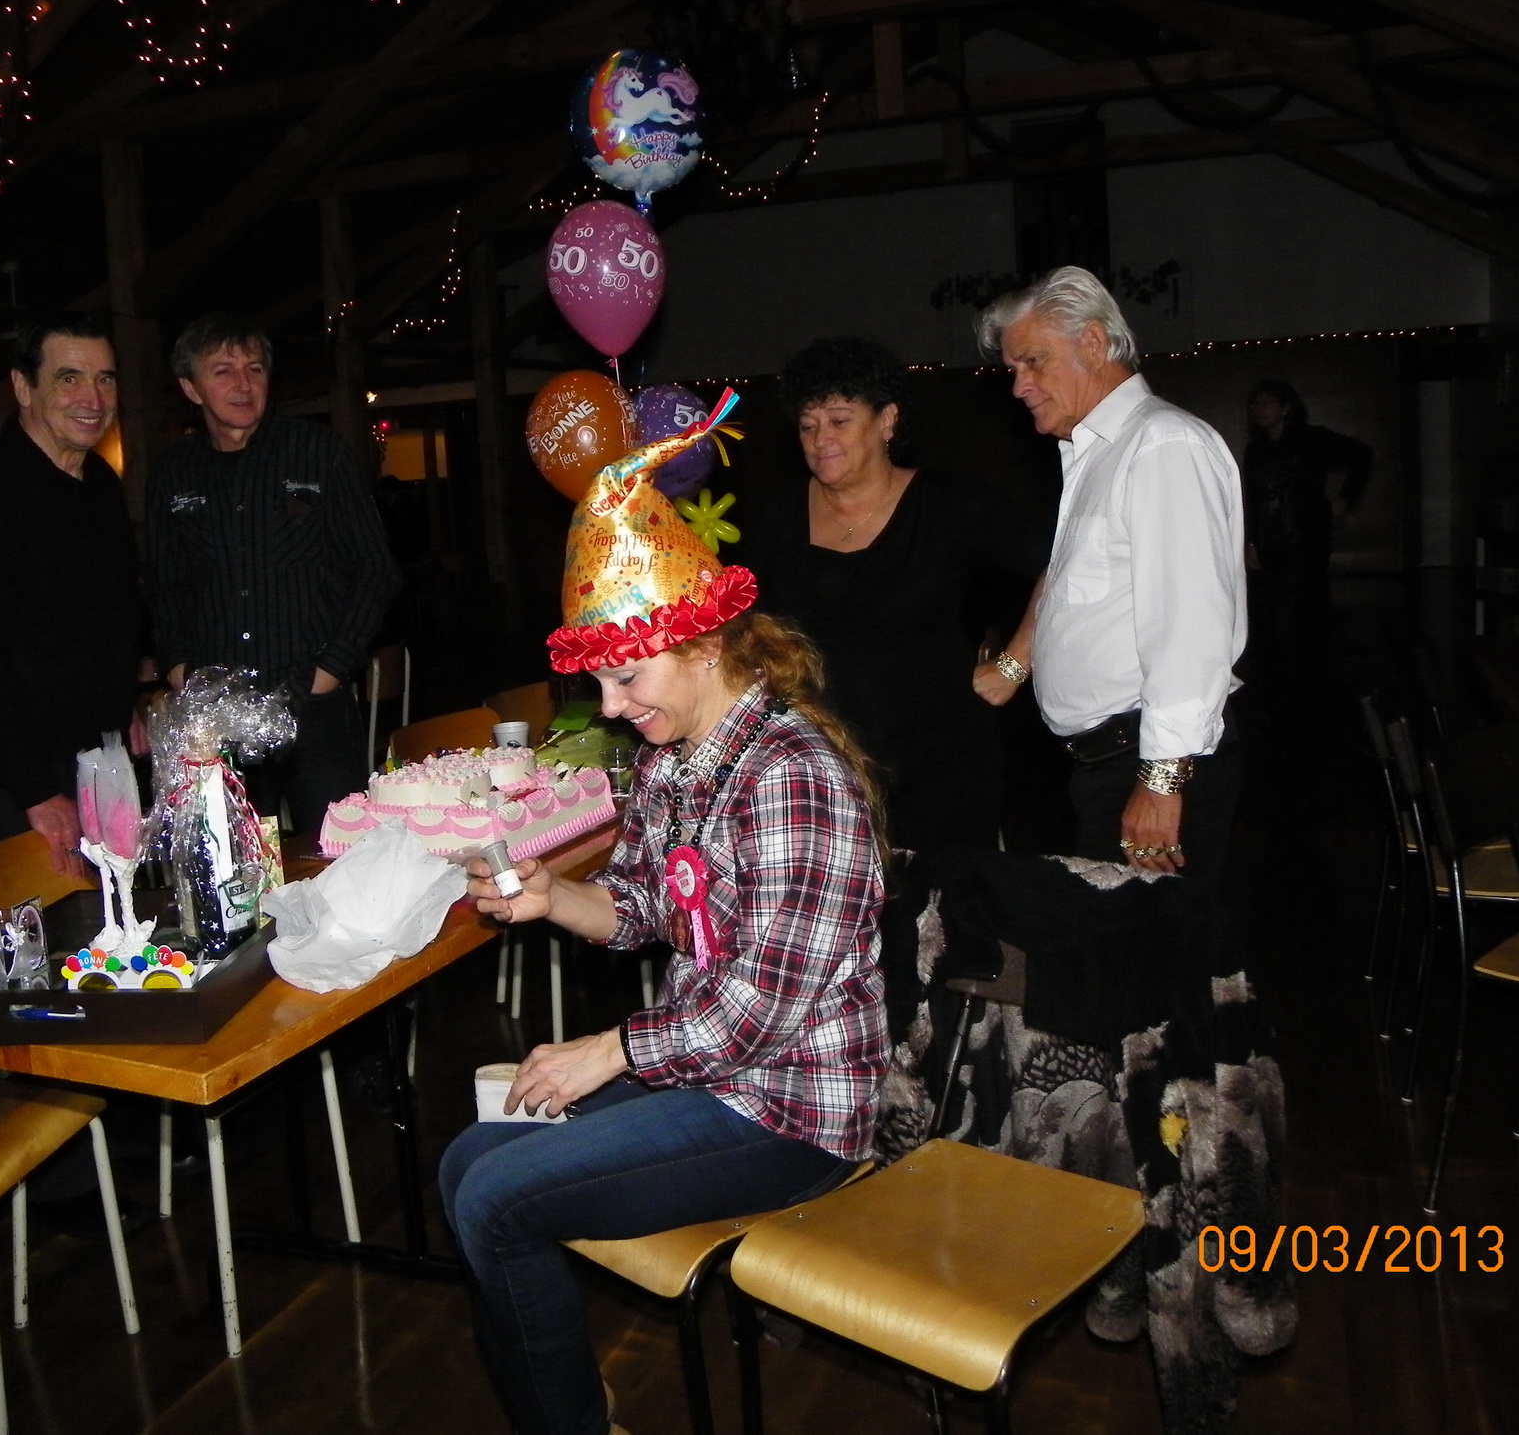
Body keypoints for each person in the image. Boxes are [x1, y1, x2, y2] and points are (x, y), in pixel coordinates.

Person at [439, 426, 886, 1435]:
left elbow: (755, 1016)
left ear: (703, 644)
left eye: (628, 679)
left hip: (789, 1112)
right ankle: (560, 1404)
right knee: (467, 1162)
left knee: (494, 1200)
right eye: (599, 682)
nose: (611, 706)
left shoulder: (789, 777)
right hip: (707, 1072)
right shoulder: (672, 759)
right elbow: (644, 904)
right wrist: (552, 896)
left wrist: (608, 1051)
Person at [972, 266, 1245, 892]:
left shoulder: (1161, 445)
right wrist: (1013, 666)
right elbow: (1069, 575)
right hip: (1109, 765)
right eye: (1013, 368)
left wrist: (1161, 781)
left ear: (1093, 343)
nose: (1019, 385)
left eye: (1032, 362)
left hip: (1151, 763)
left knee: (1143, 951)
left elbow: (1190, 628)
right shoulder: (1097, 449)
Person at [738, 336, 1047, 851]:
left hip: (942, 769)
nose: (820, 439)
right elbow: (742, 624)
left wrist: (1014, 664)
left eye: (839, 421)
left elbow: (1062, 562)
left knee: (949, 899)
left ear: (887, 421)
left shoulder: (948, 505)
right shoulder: (778, 518)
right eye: (808, 425)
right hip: (822, 772)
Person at [147, 314, 398, 832]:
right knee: (240, 867)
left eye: (255, 369)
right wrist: (177, 667)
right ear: (190, 388)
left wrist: (332, 669)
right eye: (223, 371)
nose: (243, 384)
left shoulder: (318, 453)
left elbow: (376, 569)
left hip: (314, 706)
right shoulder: (173, 473)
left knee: (340, 858)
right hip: (218, 718)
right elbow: (163, 584)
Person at [0, 312, 147, 872]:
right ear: (23, 387)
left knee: (118, 920)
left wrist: (124, 706)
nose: (93, 398)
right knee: (38, 927)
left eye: (105, 378)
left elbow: (112, 614)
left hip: (93, 758)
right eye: (69, 378)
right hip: (10, 775)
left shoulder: (100, 482)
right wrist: (35, 791)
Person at [1240, 379, 1371, 702]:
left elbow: (1361, 454)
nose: (1260, 410)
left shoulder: (1312, 439)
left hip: (1306, 536)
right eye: (1256, 404)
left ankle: (1305, 682)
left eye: (1268, 403)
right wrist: (1251, 541)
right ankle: (1289, 681)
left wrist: (1345, 498)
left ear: (1285, 407)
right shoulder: (1256, 450)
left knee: (1297, 605)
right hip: (1271, 538)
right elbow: (1253, 498)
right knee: (1274, 609)